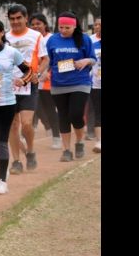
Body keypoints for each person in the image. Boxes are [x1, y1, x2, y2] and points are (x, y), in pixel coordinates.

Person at [39, 12, 97, 161]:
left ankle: (79, 142)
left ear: (74, 26)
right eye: (61, 27)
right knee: (63, 116)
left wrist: (85, 61)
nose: (63, 30)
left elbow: (93, 58)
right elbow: (49, 61)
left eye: (67, 28)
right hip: (58, 83)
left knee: (76, 114)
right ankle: (66, 150)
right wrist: (45, 71)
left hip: (80, 82)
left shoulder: (84, 39)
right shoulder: (52, 40)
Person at [0, 20, 30, 195]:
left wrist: (23, 80)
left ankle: (2, 180)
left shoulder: (12, 52)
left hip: (7, 103)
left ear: (2, 33)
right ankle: (5, 164)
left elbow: (29, 70)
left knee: (1, 140)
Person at [6, 4, 46, 174]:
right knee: (12, 125)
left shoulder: (36, 36)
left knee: (27, 124)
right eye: (12, 19)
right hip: (8, 86)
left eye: (18, 18)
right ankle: (16, 161)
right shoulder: (4, 37)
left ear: (25, 18)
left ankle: (30, 150)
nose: (15, 22)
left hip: (29, 83)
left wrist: (37, 72)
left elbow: (45, 59)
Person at [29, 13, 62, 149]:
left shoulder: (52, 39)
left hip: (49, 80)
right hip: (32, 79)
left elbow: (57, 59)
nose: (36, 26)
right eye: (33, 24)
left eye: (39, 23)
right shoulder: (30, 38)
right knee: (35, 108)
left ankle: (56, 137)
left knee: (49, 109)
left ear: (45, 25)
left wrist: (48, 73)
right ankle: (47, 128)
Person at [89, 17, 101, 152]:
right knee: (98, 111)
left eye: (100, 24)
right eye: (96, 24)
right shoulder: (90, 40)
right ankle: (99, 141)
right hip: (95, 83)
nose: (97, 26)